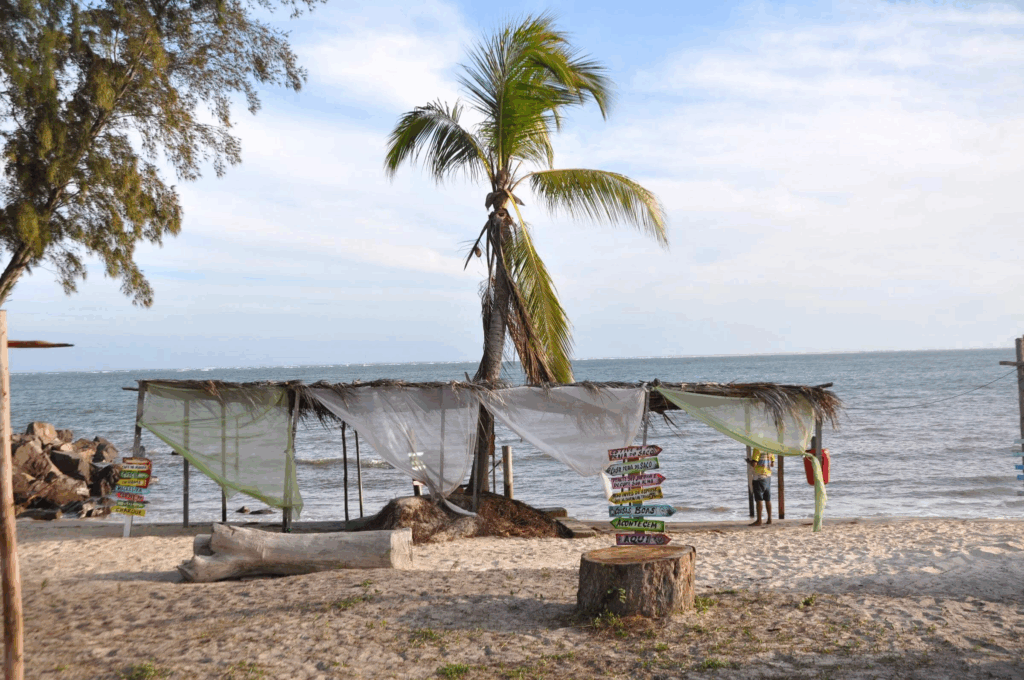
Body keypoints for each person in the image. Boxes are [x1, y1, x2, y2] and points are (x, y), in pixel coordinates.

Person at [746, 448, 775, 526]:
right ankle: (769, 519)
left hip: (759, 476)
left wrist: (749, 462)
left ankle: (759, 520)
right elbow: (772, 464)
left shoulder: (757, 449)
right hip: (768, 476)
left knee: (759, 499)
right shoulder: (770, 449)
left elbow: (754, 464)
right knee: (767, 499)